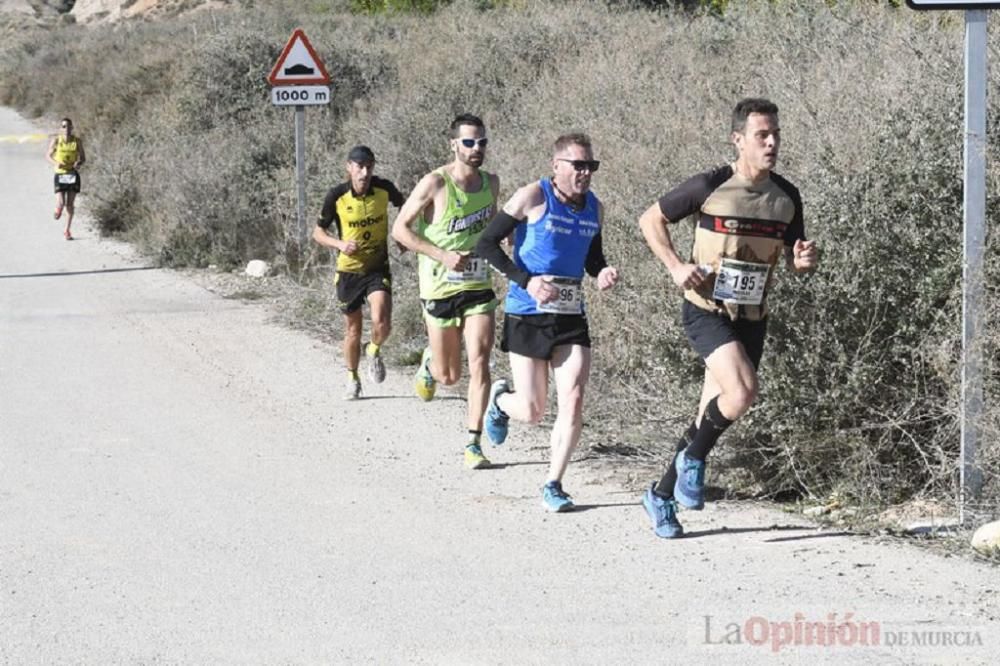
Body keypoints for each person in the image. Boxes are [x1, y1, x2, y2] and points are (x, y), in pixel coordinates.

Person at [637, 97, 819, 538]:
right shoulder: (710, 186)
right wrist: (677, 267)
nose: (772, 142)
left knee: (709, 414)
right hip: (707, 311)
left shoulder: (787, 196)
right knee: (741, 393)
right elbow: (650, 220)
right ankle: (694, 461)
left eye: (775, 133)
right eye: (762, 135)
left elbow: (794, 258)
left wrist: (803, 261)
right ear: (739, 140)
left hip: (753, 316)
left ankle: (660, 496)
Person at [476, 133, 620, 512]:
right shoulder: (532, 197)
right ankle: (500, 402)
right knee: (533, 410)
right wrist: (527, 280)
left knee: (573, 397)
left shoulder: (595, 209)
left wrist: (602, 272)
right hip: (527, 312)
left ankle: (553, 483)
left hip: (571, 315)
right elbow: (486, 244)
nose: (585, 173)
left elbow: (593, 258)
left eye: (591, 166)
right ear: (556, 166)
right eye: (578, 165)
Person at [391, 114, 500, 470]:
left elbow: (493, 227)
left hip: (478, 284)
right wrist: (442, 255)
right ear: (454, 144)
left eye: (481, 142)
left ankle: (473, 442)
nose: (476, 149)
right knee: (448, 377)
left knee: (481, 360)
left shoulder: (491, 183)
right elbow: (400, 230)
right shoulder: (435, 184)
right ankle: (429, 363)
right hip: (439, 285)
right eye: (469, 142)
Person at [314, 145, 405, 400]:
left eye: (369, 167)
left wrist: (400, 232)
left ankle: (373, 350)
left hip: (377, 267)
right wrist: (340, 244)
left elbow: (406, 207)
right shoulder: (337, 196)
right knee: (353, 329)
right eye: (360, 167)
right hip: (349, 271)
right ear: (349, 168)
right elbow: (318, 232)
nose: (365, 173)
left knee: (383, 322)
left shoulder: (384, 189)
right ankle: (352, 378)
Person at [46, 117, 86, 240]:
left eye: (68, 126)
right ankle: (58, 208)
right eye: (64, 126)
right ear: (60, 128)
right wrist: (55, 163)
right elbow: (48, 155)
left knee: (70, 205)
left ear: (72, 128)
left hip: (72, 174)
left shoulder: (77, 141)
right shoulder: (56, 140)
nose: (66, 129)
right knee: (62, 203)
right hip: (60, 174)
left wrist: (78, 163)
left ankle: (67, 230)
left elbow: (83, 158)